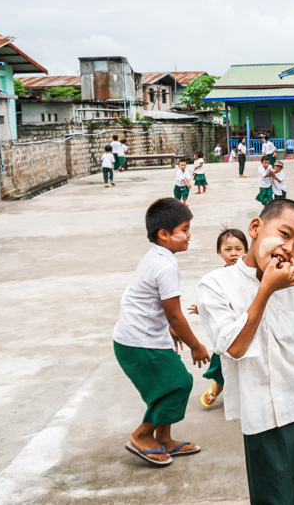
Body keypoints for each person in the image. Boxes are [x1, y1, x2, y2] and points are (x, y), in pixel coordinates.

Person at [195, 199, 294, 505]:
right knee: (275, 499)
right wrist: (266, 290)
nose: (289, 248)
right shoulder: (215, 285)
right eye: (284, 234)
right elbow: (235, 347)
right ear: (256, 228)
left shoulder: (292, 279)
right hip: (267, 417)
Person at [113, 198, 210, 466]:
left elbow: (151, 301)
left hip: (141, 337)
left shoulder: (158, 256)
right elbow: (175, 314)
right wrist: (196, 345)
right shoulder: (165, 266)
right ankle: (142, 435)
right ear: (164, 234)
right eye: (185, 229)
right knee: (178, 384)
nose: (189, 235)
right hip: (138, 342)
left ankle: (164, 439)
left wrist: (168, 327)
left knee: (168, 386)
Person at [192, 228, 248, 409]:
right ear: (219, 252)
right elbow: (214, 303)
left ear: (246, 250)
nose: (233, 253)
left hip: (248, 326)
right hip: (228, 329)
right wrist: (204, 310)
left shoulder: (251, 274)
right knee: (222, 361)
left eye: (238, 249)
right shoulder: (217, 279)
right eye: (228, 249)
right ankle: (218, 386)